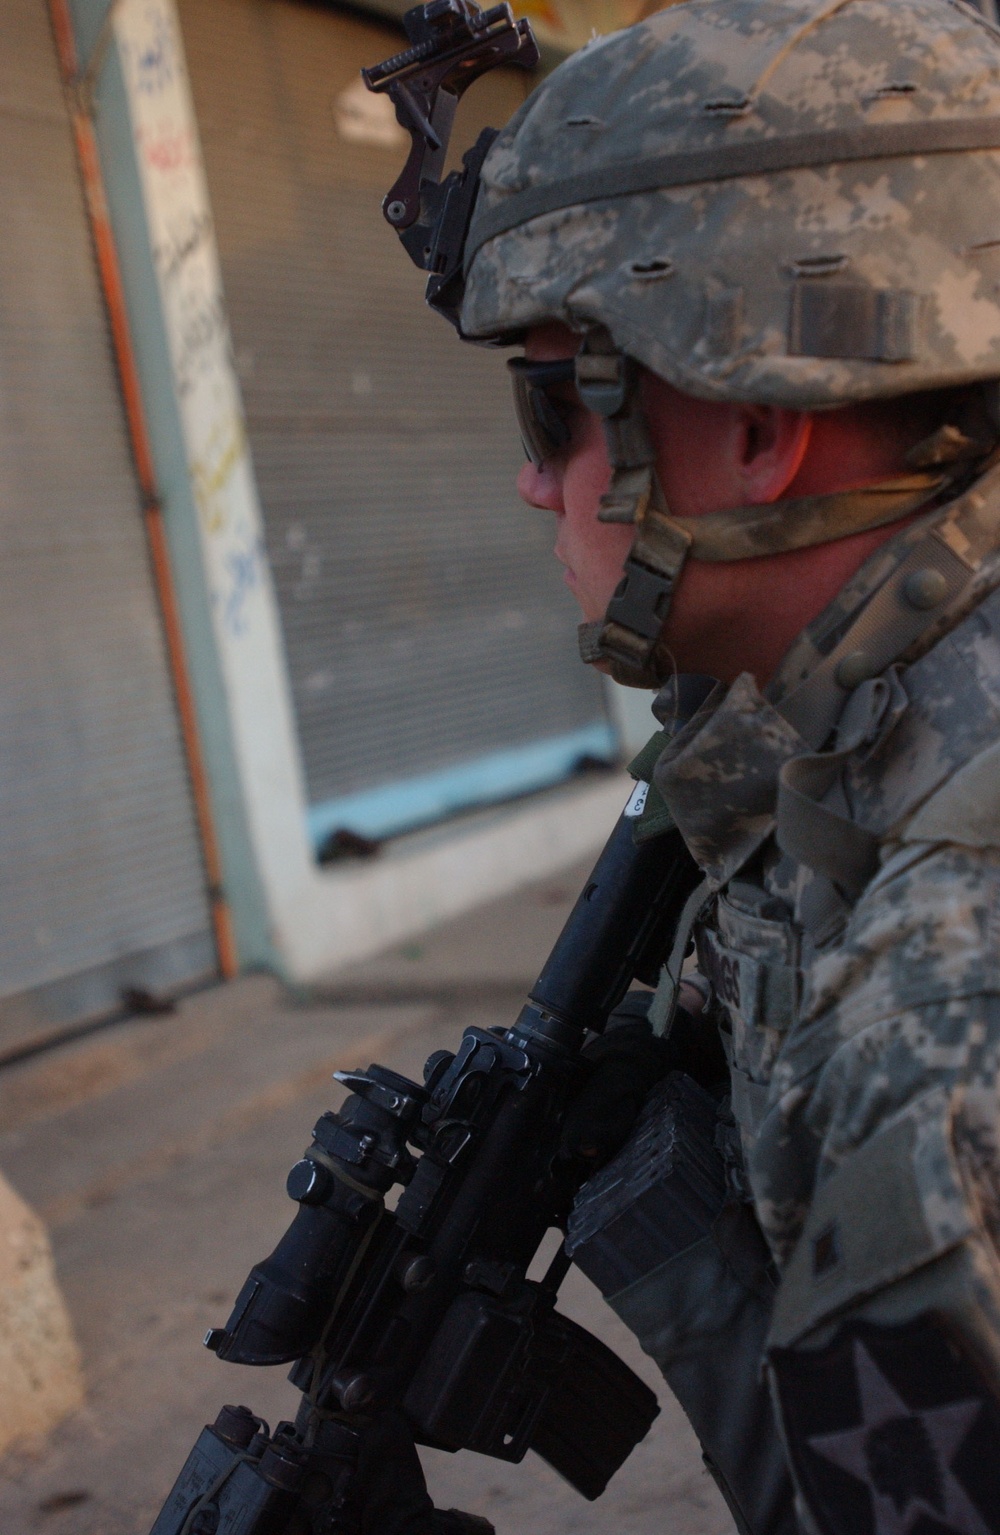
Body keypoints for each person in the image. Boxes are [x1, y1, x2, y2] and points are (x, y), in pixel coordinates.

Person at [364, 0, 1000, 1529]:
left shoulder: (937, 1018)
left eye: (549, 399)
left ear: (761, 427)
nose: (532, 482)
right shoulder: (842, 723)